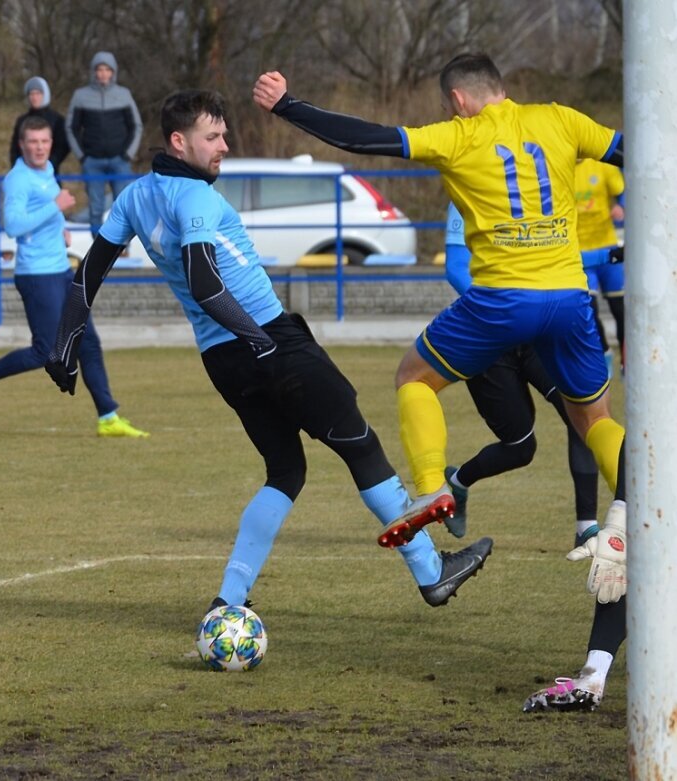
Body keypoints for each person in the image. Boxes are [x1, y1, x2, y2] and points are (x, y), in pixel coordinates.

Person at [45, 88, 494, 612]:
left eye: (223, 135)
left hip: (222, 361)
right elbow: (205, 282)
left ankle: (228, 601)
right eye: (212, 137)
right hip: (267, 338)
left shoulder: (134, 197)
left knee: (286, 472)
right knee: (361, 445)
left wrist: (64, 346)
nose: (224, 146)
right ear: (177, 140)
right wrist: (262, 340)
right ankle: (431, 570)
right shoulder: (196, 198)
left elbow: (87, 276)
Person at [253, 55, 627, 607]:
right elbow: (631, 149)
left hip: (503, 299)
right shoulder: (562, 118)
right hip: (571, 296)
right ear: (501, 87)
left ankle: (432, 488)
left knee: (414, 377)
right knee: (594, 418)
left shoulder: (456, 136)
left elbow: (367, 140)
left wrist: (288, 105)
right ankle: (645, 506)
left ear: (457, 99)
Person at [0, 116, 148, 439]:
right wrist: (56, 206)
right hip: (36, 275)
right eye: (33, 142)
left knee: (88, 342)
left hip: (60, 269)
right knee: (44, 352)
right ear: (22, 145)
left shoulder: (46, 172)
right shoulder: (17, 180)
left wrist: (60, 228)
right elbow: (13, 226)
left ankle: (108, 416)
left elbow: (43, 213)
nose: (40, 147)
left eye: (45, 141)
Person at [442, 201, 600, 546]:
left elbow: (562, 260)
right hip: (487, 337)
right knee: (520, 448)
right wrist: (505, 313)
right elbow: (455, 268)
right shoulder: (466, 190)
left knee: (581, 414)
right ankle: (459, 483)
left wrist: (611, 254)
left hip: (536, 333)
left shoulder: (539, 193)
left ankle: (586, 527)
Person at [65, 51, 143, 236]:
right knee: (96, 208)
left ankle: (122, 248)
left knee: (123, 206)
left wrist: (128, 154)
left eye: (107, 69)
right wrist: (82, 156)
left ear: (113, 72)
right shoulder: (80, 96)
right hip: (92, 162)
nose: (103, 74)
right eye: (99, 69)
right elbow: (71, 127)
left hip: (120, 160)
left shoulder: (124, 94)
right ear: (93, 72)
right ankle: (98, 252)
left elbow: (136, 126)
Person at [576, 158, 625, 375]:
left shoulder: (602, 165)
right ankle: (604, 352)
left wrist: (619, 207)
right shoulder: (559, 167)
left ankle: (628, 363)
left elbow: (621, 192)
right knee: (589, 310)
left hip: (607, 250)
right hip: (581, 255)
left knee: (620, 310)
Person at [9, 77, 70, 176]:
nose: (34, 97)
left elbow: (62, 147)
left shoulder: (57, 119)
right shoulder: (21, 120)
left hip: (49, 173)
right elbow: (15, 147)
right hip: (25, 172)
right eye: (31, 94)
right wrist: (17, 166)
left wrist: (50, 164)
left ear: (45, 95)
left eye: (38, 94)